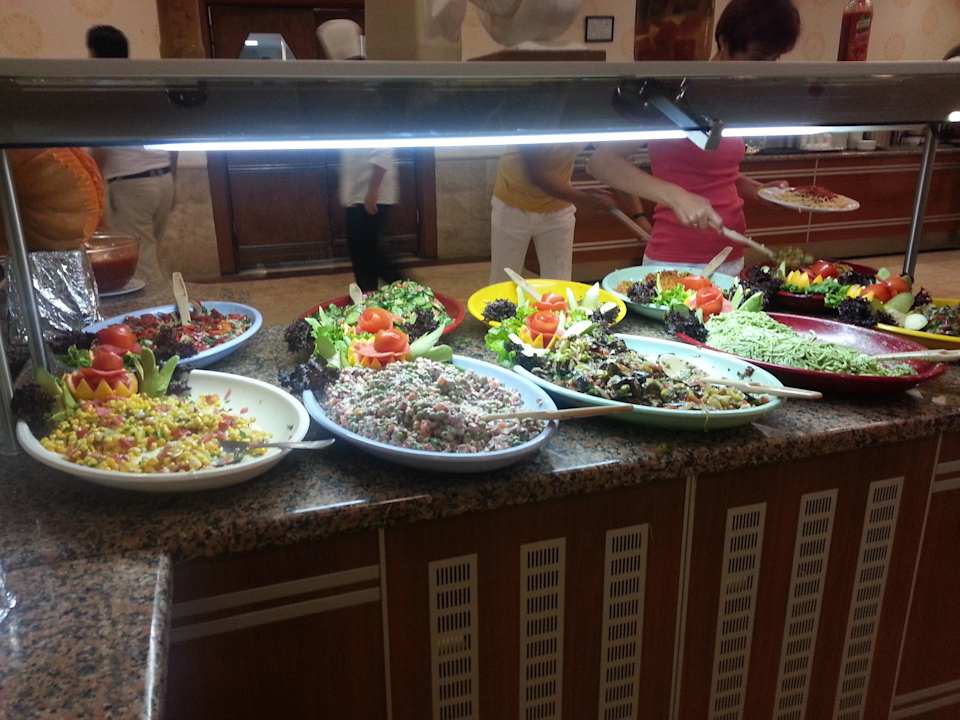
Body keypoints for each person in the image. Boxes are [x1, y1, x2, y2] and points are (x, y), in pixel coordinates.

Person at [587, 0, 801, 275]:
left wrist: (759, 191)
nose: (764, 70)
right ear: (724, 42)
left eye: (773, 60)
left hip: (731, 254)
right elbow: (601, 163)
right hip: (678, 260)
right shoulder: (677, 91)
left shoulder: (733, 96)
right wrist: (677, 196)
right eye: (758, 58)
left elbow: (716, 174)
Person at [318, 19, 402, 292]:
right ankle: (370, 298)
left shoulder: (369, 94)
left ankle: (407, 292)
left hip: (371, 193)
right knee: (363, 250)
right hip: (360, 192)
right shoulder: (350, 93)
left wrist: (372, 192)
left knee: (370, 253)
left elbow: (383, 146)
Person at [87, 25, 175, 284]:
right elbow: (173, 136)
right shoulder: (145, 84)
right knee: (150, 252)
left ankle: (158, 307)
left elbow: (101, 146)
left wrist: (95, 191)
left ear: (96, 54)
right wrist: (175, 179)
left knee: (142, 263)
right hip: (163, 179)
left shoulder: (104, 89)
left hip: (131, 184)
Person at [489, 145, 642, 283]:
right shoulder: (539, 123)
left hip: (558, 207)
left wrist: (639, 217)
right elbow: (539, 175)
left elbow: (615, 165)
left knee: (559, 281)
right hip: (513, 204)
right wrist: (585, 199)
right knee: (504, 279)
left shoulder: (592, 122)